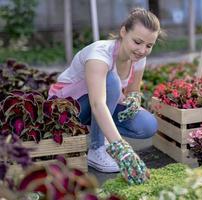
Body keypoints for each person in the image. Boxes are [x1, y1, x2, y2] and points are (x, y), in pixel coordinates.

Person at [48, 8, 164, 185]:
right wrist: (122, 149)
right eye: (138, 42)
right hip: (69, 108)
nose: (142, 50)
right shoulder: (100, 55)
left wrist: (134, 99)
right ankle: (97, 148)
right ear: (123, 32)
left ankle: (101, 133)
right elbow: (97, 104)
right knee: (111, 80)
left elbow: (133, 90)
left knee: (147, 125)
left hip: (97, 107)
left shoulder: (138, 58)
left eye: (149, 45)